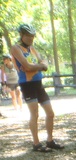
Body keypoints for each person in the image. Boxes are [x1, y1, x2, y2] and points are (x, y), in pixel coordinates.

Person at [10, 23, 64, 152]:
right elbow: (27, 66)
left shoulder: (32, 49)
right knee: (35, 113)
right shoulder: (15, 48)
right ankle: (36, 144)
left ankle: (50, 140)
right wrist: (39, 66)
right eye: (28, 36)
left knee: (50, 113)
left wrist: (38, 65)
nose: (30, 39)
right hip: (27, 85)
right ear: (21, 35)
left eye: (32, 36)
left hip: (38, 84)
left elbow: (44, 62)